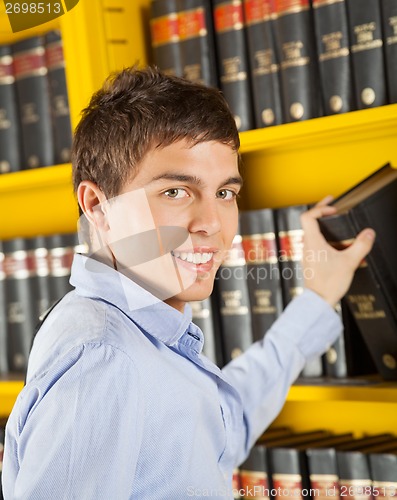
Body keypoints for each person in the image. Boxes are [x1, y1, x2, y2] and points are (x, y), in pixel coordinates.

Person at [2, 67, 375, 499]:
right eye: (176, 192)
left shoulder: (142, 330)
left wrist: (319, 296)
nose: (212, 225)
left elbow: (218, 429)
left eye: (225, 193)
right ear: (97, 207)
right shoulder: (102, 357)